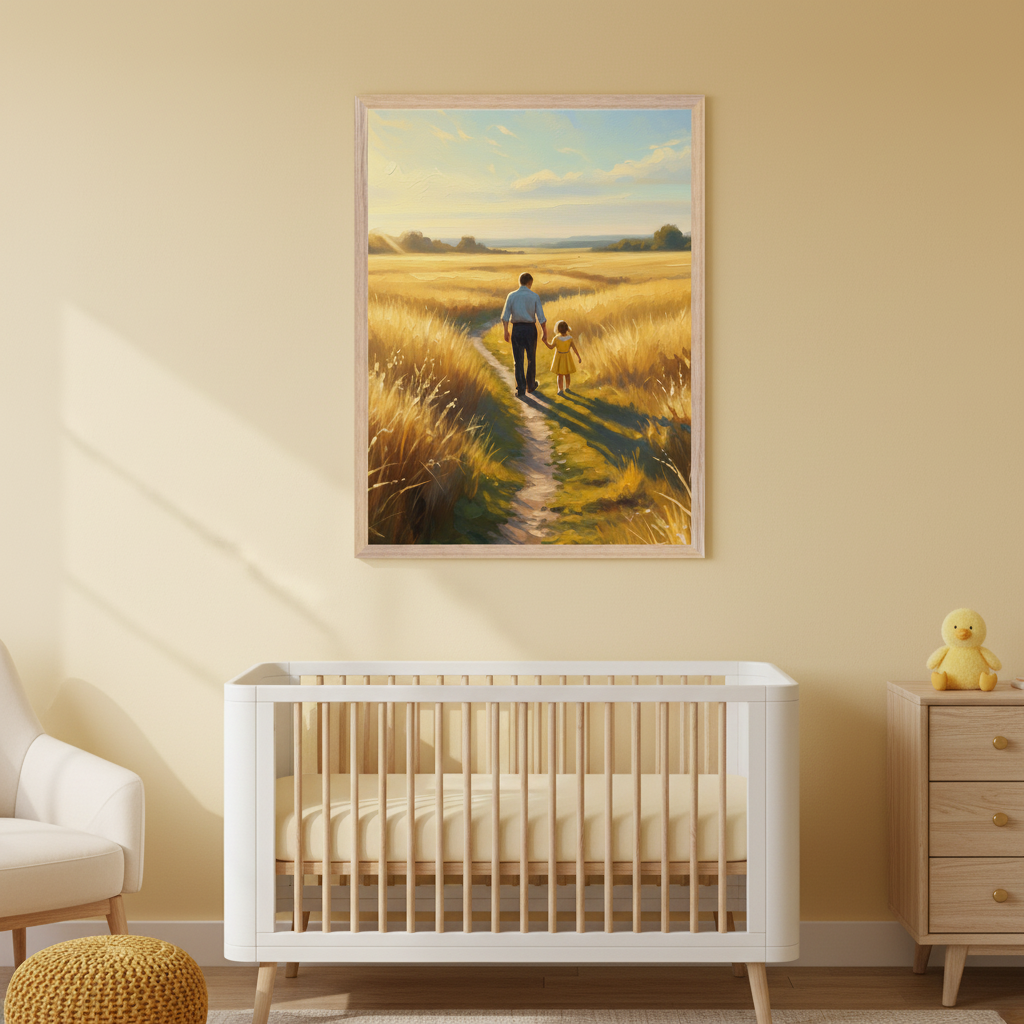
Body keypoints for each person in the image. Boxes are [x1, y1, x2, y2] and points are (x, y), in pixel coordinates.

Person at [501, 272, 547, 397]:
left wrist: (506, 331)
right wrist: (544, 332)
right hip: (530, 330)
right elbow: (541, 317)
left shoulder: (511, 296)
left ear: (519, 282)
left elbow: (505, 317)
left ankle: (521, 389)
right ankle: (530, 386)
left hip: (517, 329)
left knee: (518, 360)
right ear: (530, 283)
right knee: (531, 358)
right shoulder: (534, 296)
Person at [545, 320, 581, 394]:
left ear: (558, 329)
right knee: (567, 374)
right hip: (567, 357)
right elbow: (574, 348)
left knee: (560, 375)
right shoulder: (570, 338)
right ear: (567, 329)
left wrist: (545, 342)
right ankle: (567, 387)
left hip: (559, 358)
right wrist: (578, 357)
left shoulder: (556, 338)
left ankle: (560, 389)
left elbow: (551, 347)